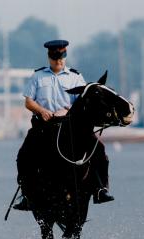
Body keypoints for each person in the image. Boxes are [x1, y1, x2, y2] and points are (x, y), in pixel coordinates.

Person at [14, 39, 114, 210]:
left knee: (100, 149)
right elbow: (28, 102)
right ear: (49, 57)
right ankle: (27, 194)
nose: (59, 61)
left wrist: (67, 111)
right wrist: (42, 111)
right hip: (44, 126)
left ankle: (100, 189)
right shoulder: (38, 76)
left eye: (62, 57)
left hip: (70, 126)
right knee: (24, 154)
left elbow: (82, 103)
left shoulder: (75, 77)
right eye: (55, 57)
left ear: (65, 56)